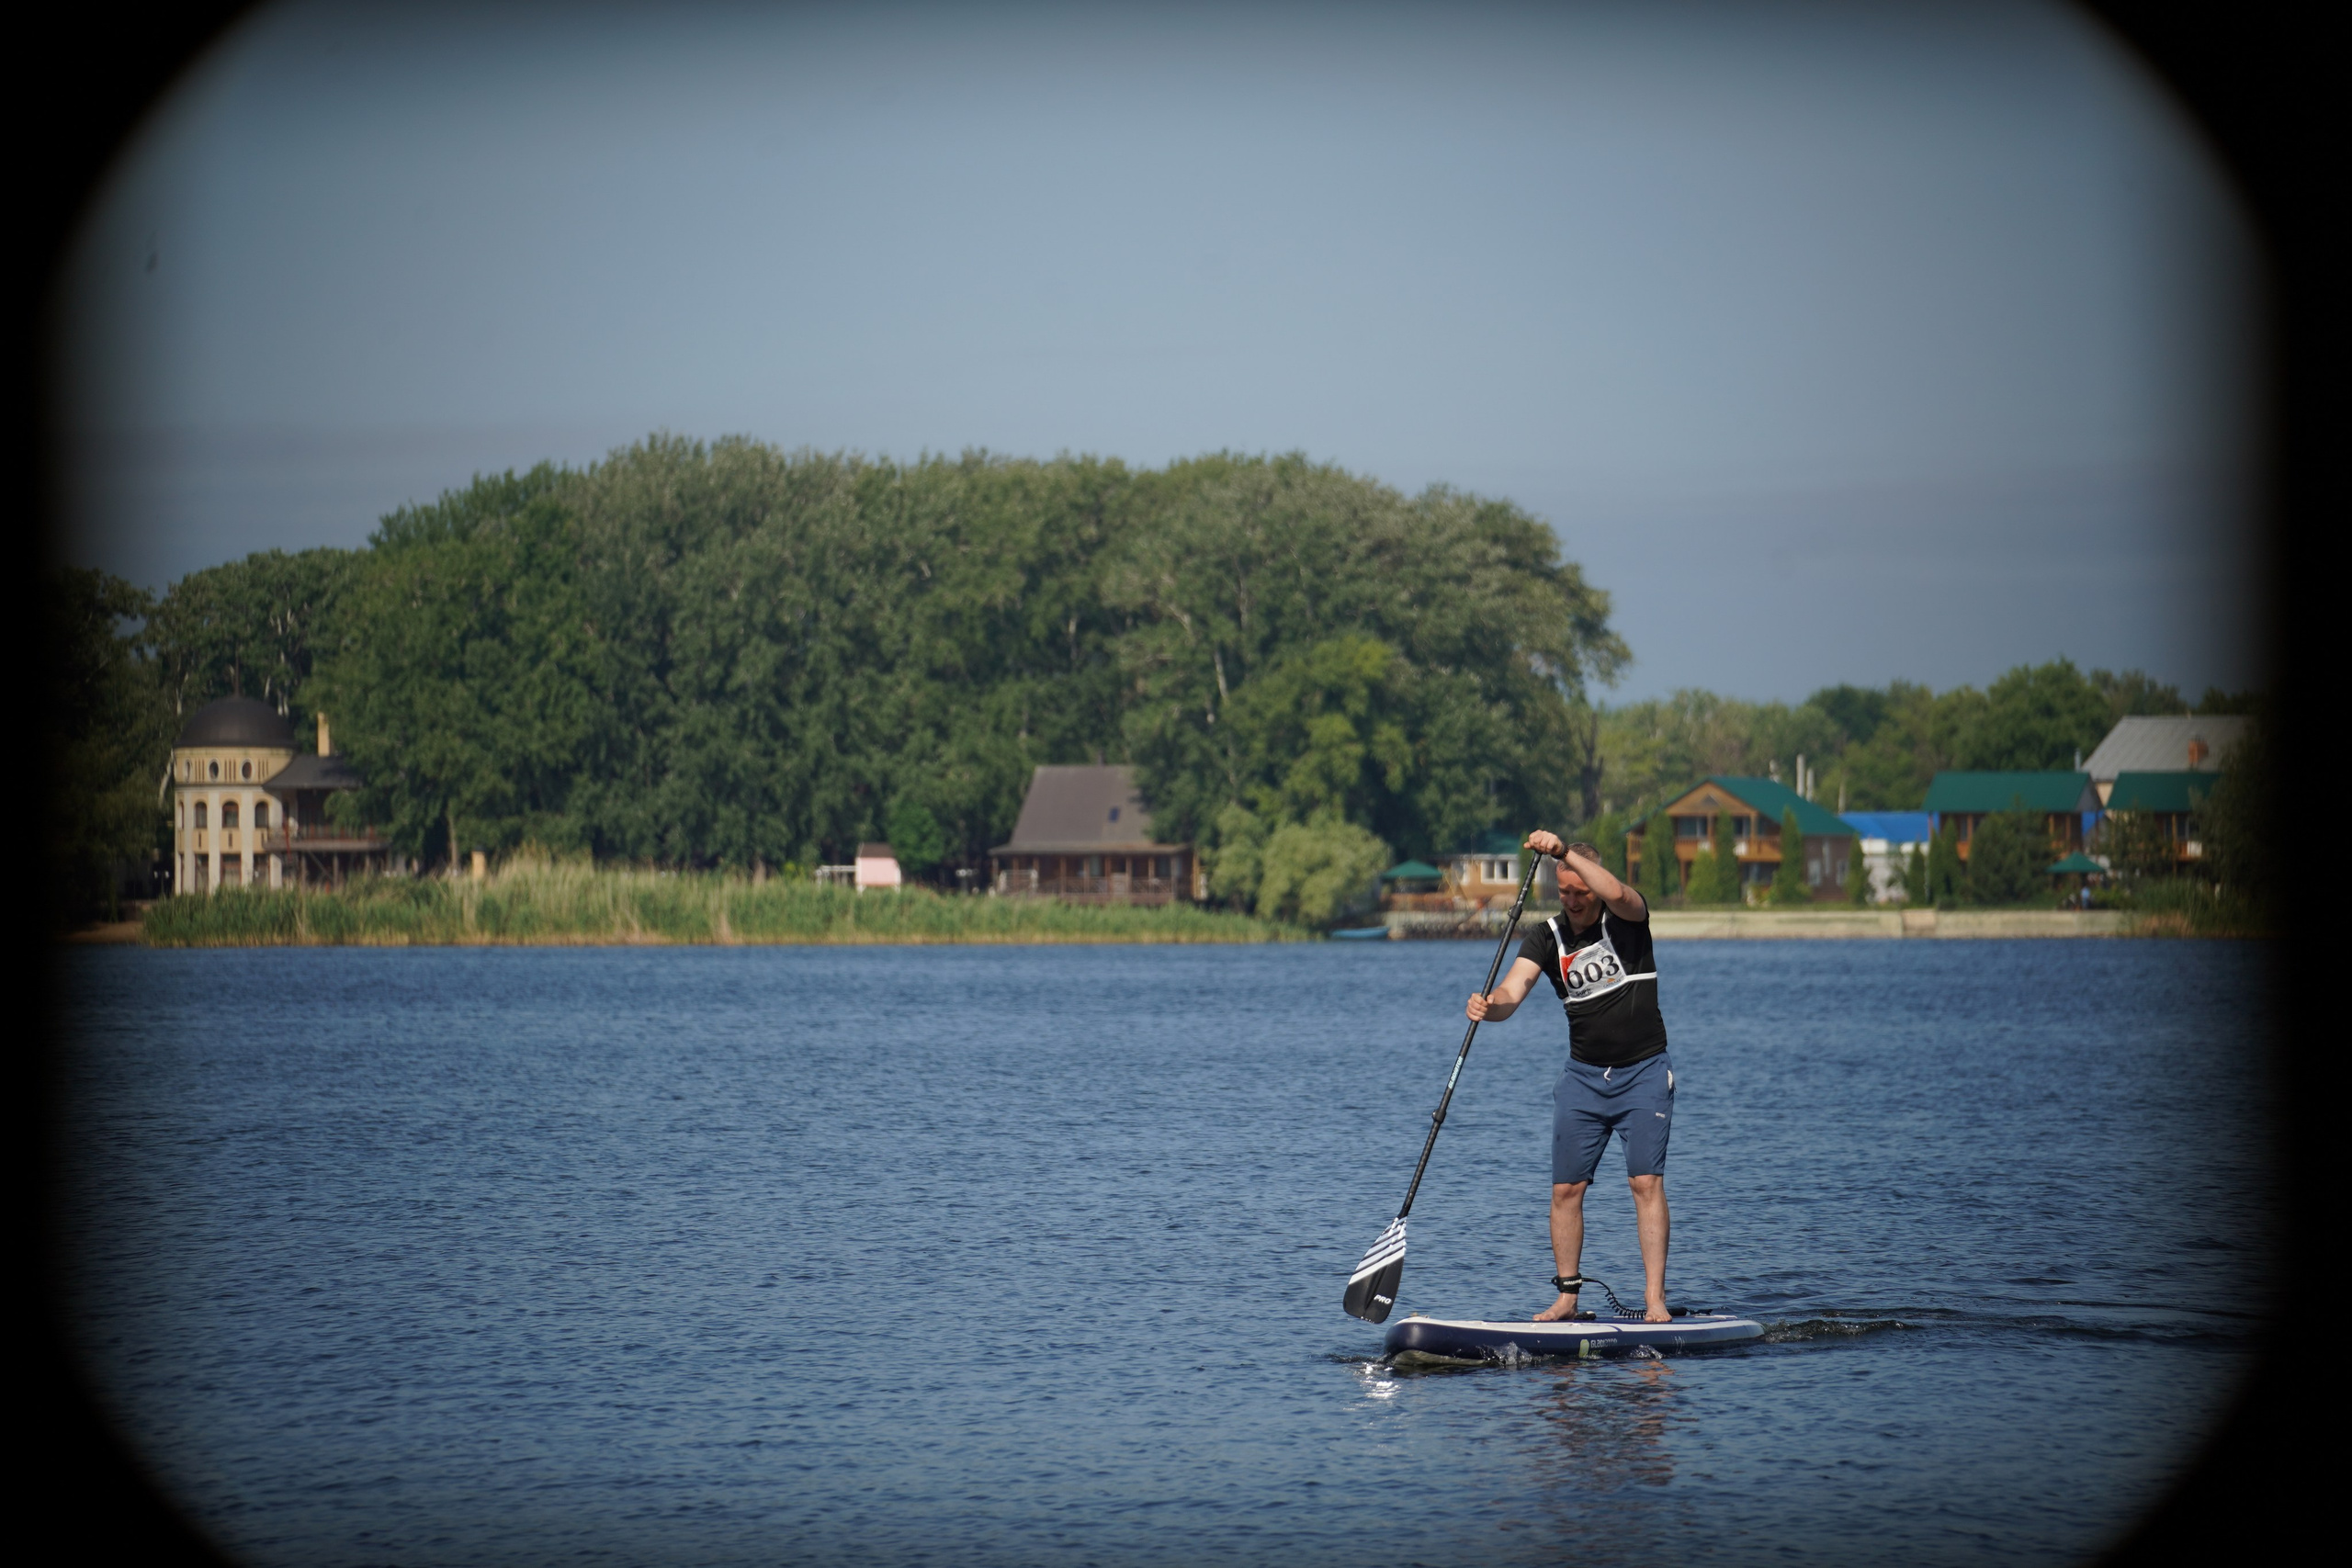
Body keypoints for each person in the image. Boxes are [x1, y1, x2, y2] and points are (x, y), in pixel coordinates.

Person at [1466, 831, 1674, 1323]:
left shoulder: (1627, 919)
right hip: (1582, 1079)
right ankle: (1567, 1297)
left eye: (1581, 891)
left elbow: (1620, 894)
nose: (1573, 901)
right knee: (1565, 1191)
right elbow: (1513, 991)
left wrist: (1565, 854)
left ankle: (1654, 1302)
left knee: (1645, 1182)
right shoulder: (1547, 936)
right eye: (1564, 892)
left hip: (1644, 1071)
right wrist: (1489, 1006)